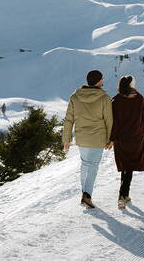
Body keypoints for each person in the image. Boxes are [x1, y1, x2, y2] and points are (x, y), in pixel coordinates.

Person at [63, 69, 113, 209]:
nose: (103, 81)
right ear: (98, 81)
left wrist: (66, 138)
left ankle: (84, 193)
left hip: (82, 138)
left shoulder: (75, 97)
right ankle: (87, 195)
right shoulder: (104, 98)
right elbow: (109, 120)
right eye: (102, 79)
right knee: (93, 166)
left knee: (85, 164)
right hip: (98, 138)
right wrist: (110, 139)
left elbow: (69, 119)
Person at [110, 75, 144, 209]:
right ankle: (122, 196)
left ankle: (124, 195)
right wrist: (143, 131)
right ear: (131, 85)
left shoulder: (115, 100)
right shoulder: (139, 98)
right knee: (129, 166)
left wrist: (112, 137)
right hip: (135, 137)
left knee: (126, 166)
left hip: (121, 138)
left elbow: (112, 121)